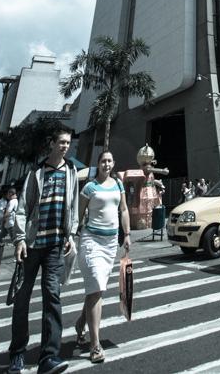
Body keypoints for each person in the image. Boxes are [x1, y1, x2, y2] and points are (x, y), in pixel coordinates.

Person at [7, 125, 79, 374]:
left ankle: (48, 357)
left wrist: (70, 234)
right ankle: (17, 354)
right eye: (61, 142)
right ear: (52, 143)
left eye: (68, 143)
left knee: (52, 298)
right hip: (32, 244)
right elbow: (23, 208)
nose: (65, 146)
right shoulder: (36, 172)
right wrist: (19, 239)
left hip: (56, 246)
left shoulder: (71, 171)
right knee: (22, 299)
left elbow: (74, 206)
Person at [74, 150, 131, 363]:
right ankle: (95, 345)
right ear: (97, 164)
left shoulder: (118, 184)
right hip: (91, 242)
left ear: (113, 163)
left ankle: (81, 323)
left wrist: (126, 235)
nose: (106, 164)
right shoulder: (89, 187)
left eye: (109, 161)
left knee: (96, 290)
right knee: (96, 287)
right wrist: (71, 237)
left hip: (109, 245)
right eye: (103, 161)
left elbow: (123, 210)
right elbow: (78, 216)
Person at [0, 188, 18, 260]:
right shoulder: (16, 201)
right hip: (7, 224)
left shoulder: (12, 202)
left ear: (11, 193)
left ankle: (19, 256)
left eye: (8, 193)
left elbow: (7, 213)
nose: (7, 195)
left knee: (15, 241)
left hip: (10, 224)